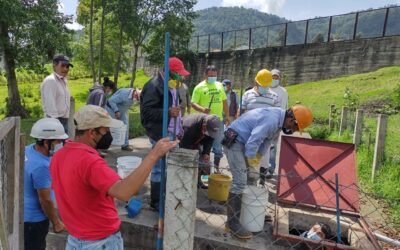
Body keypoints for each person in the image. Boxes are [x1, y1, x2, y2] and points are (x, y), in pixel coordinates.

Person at [50, 105, 178, 249]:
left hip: (75, 239)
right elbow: (124, 193)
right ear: (92, 132)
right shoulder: (90, 161)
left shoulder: (59, 155)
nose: (109, 135)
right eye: (106, 130)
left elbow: (80, 189)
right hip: (100, 242)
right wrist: (154, 154)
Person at [222, 105, 313, 239]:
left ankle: (250, 211)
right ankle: (232, 222)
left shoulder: (278, 122)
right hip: (235, 141)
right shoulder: (271, 120)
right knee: (240, 181)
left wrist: (258, 157)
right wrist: (251, 159)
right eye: (295, 127)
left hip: (244, 142)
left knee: (252, 178)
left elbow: (266, 142)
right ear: (291, 120)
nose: (293, 130)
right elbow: (254, 141)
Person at [140, 57, 190, 211]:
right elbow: (147, 112)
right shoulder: (153, 85)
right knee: (159, 167)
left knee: (170, 164)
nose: (179, 77)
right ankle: (156, 201)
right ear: (168, 72)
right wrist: (167, 112)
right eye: (177, 74)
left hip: (171, 129)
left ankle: (166, 193)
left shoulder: (170, 84)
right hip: (159, 131)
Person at [24, 118, 67, 250]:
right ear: (46, 142)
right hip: (34, 222)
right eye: (58, 141)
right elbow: (45, 200)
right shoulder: (41, 167)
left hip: (23, 215)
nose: (61, 144)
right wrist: (56, 222)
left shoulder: (28, 150)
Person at [191, 66, 230, 172]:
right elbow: (193, 103)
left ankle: (216, 169)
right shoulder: (199, 87)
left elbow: (224, 101)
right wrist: (203, 109)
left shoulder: (219, 85)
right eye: (210, 76)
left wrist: (227, 116)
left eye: (214, 76)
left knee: (218, 147)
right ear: (205, 75)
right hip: (205, 122)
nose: (213, 77)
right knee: (204, 148)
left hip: (219, 122)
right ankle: (203, 171)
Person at [261, 68, 289, 182]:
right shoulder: (265, 89)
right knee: (262, 144)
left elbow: (284, 108)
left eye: (276, 77)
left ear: (279, 78)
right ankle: (262, 167)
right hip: (264, 121)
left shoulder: (283, 91)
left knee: (272, 146)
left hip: (276, 122)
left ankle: (271, 168)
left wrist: (281, 123)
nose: (274, 79)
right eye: (273, 77)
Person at [180, 114, 221, 189]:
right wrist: (193, 157)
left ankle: (203, 183)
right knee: (188, 163)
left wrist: (206, 153)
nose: (209, 132)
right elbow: (184, 145)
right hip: (184, 141)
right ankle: (186, 182)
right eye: (208, 130)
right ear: (204, 124)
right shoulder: (190, 126)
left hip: (197, 140)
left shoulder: (211, 125)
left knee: (205, 163)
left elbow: (210, 139)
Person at [40, 54, 73, 133]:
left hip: (64, 120)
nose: (65, 69)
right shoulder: (51, 81)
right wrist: (56, 126)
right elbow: (50, 106)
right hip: (54, 121)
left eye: (67, 66)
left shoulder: (63, 80)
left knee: (63, 145)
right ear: (54, 65)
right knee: (57, 145)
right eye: (63, 65)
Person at [106, 84, 140, 151]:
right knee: (108, 128)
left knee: (125, 126)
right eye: (137, 96)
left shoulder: (133, 96)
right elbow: (111, 101)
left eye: (138, 98)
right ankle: (103, 145)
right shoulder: (124, 94)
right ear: (135, 92)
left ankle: (125, 145)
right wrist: (116, 111)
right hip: (111, 110)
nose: (136, 98)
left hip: (122, 112)